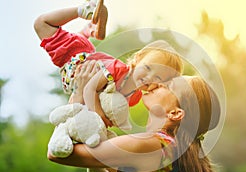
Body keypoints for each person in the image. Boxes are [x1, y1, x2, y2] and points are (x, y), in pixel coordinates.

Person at [48, 71, 221, 172]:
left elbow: (58, 153)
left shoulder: (151, 146)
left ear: (175, 114)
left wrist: (82, 91)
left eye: (168, 86)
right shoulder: (168, 151)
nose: (157, 84)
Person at [34, 0, 183, 126]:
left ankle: (91, 30)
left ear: (161, 84)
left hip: (80, 72)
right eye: (148, 67)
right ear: (137, 59)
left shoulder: (134, 98)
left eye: (158, 78)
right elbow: (89, 90)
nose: (150, 77)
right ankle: (85, 10)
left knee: (72, 113)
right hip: (73, 55)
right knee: (41, 23)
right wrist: (100, 117)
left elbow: (100, 104)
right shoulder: (117, 70)